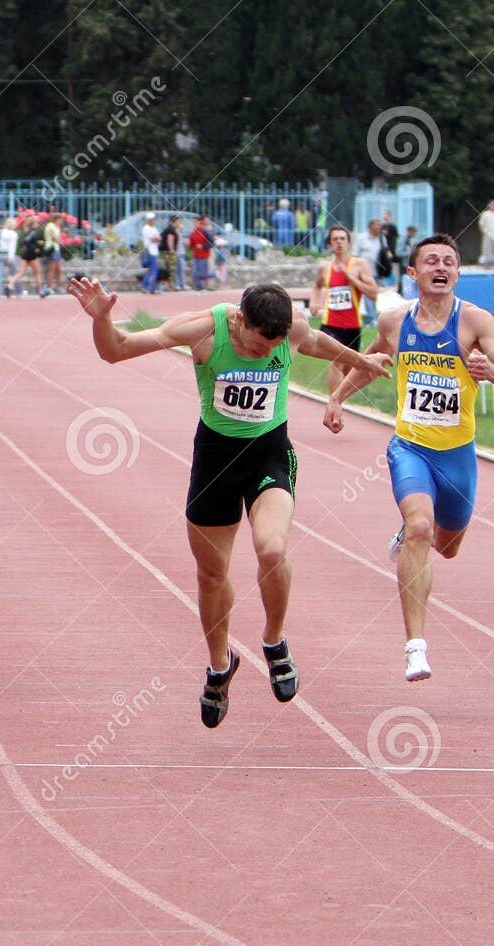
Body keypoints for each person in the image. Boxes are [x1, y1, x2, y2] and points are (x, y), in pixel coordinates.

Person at [70, 276, 391, 724]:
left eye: (272, 349)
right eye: (259, 346)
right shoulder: (201, 329)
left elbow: (316, 343)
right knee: (211, 573)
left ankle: (275, 640)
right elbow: (115, 350)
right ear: (240, 321)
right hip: (215, 459)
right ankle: (220, 666)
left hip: (269, 453)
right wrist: (102, 318)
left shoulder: (290, 329)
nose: (266, 354)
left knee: (273, 548)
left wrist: (363, 361)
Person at [325, 235, 494, 682]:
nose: (441, 267)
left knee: (447, 546)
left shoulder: (476, 322)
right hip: (409, 447)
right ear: (413, 274)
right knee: (420, 528)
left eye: (450, 262)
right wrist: (338, 397)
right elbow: (372, 360)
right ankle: (415, 646)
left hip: (457, 456)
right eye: (431, 261)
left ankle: (415, 532)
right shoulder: (396, 321)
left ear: (457, 273)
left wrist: (490, 371)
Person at [309, 224, 380, 393]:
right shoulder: (325, 267)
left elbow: (373, 293)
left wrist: (351, 278)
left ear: (348, 243)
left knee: (349, 368)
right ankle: (335, 403)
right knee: (337, 360)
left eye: (342, 239)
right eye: (335, 239)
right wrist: (314, 301)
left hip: (352, 325)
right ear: (329, 245)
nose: (339, 242)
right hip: (330, 324)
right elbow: (317, 286)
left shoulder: (360, 265)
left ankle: (340, 401)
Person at [0, 216, 19, 298]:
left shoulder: (1, 232)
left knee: (0, 274)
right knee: (15, 273)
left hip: (1, 254)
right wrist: (11, 258)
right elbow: (12, 247)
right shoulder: (14, 234)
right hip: (9, 255)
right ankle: (16, 290)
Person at [189, 214, 215, 291]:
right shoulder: (192, 233)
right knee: (195, 272)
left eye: (196, 222)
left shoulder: (205, 232)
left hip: (204, 255)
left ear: (200, 223)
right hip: (196, 255)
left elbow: (211, 243)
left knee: (203, 273)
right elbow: (191, 245)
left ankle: (213, 275)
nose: (195, 224)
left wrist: (203, 246)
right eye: (194, 222)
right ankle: (200, 287)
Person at [43, 212, 65, 295]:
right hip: (51, 248)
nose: (61, 222)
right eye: (60, 220)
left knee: (58, 269)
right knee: (51, 269)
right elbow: (54, 238)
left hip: (56, 249)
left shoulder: (57, 226)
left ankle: (59, 287)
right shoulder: (51, 226)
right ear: (57, 219)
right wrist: (60, 241)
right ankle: (49, 287)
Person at [140, 212, 160, 294]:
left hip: (154, 251)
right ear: (148, 220)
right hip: (150, 251)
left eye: (154, 219)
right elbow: (153, 239)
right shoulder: (146, 228)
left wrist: (156, 238)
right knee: (154, 270)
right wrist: (156, 238)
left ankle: (144, 286)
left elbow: (159, 238)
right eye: (152, 219)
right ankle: (152, 288)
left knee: (151, 270)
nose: (153, 221)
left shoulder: (154, 228)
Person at [478, 199, 494, 267]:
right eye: (491, 204)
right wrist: (484, 233)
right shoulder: (485, 214)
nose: (493, 206)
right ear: (488, 205)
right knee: (487, 249)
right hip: (487, 234)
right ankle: (486, 264)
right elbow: (481, 224)